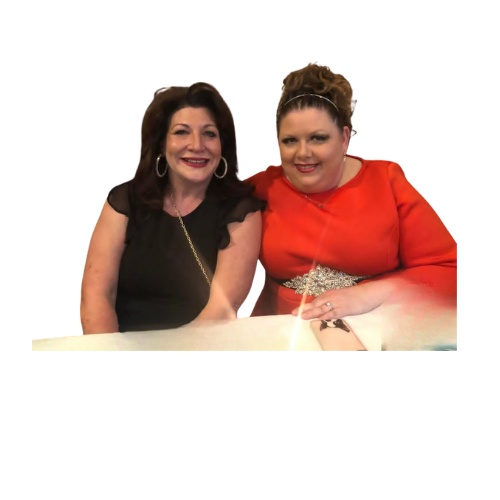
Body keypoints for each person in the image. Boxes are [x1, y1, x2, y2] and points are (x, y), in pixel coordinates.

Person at [247, 64, 457, 321]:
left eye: (318, 138)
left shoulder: (386, 182)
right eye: (290, 140)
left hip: (379, 329)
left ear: (344, 138)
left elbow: (451, 271)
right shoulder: (259, 189)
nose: (303, 153)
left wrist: (370, 294)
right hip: (280, 332)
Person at [81, 83, 263, 334]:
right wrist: (108, 353)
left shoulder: (241, 210)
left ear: (223, 145)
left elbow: (221, 311)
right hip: (121, 345)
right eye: (181, 132)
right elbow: (96, 296)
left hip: (200, 346)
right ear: (161, 143)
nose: (197, 145)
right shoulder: (125, 201)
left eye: (209, 134)